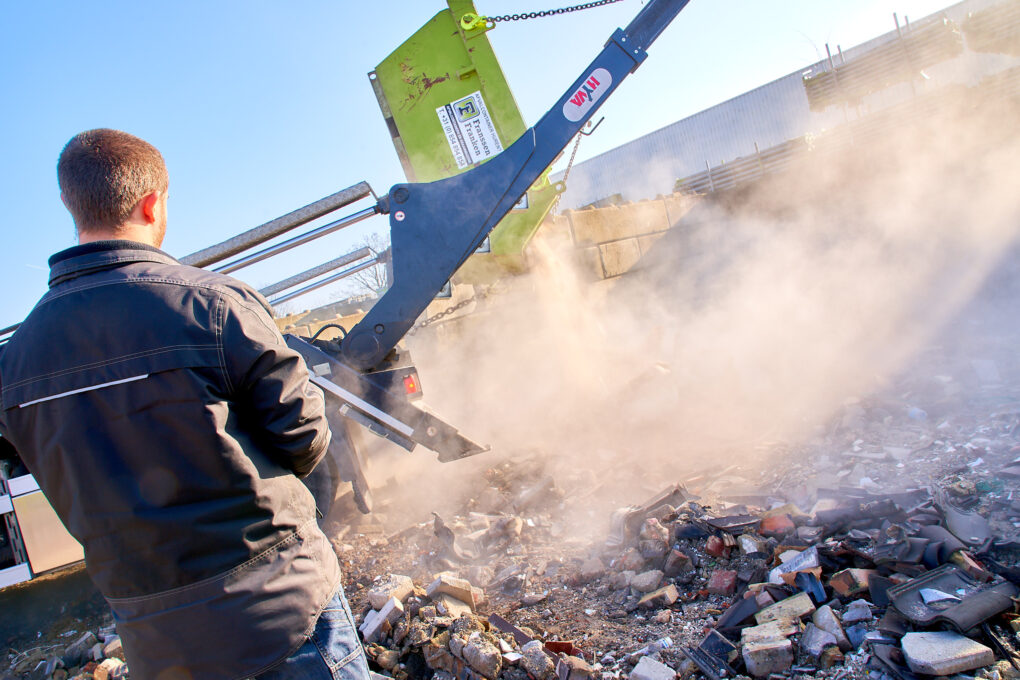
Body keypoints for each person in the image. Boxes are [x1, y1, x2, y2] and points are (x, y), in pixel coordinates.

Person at [0, 129, 371, 680]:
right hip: (283, 617)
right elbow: (306, 437)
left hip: (159, 645)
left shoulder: (14, 364)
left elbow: (42, 466)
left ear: (68, 204)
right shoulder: (214, 306)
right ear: (153, 202)